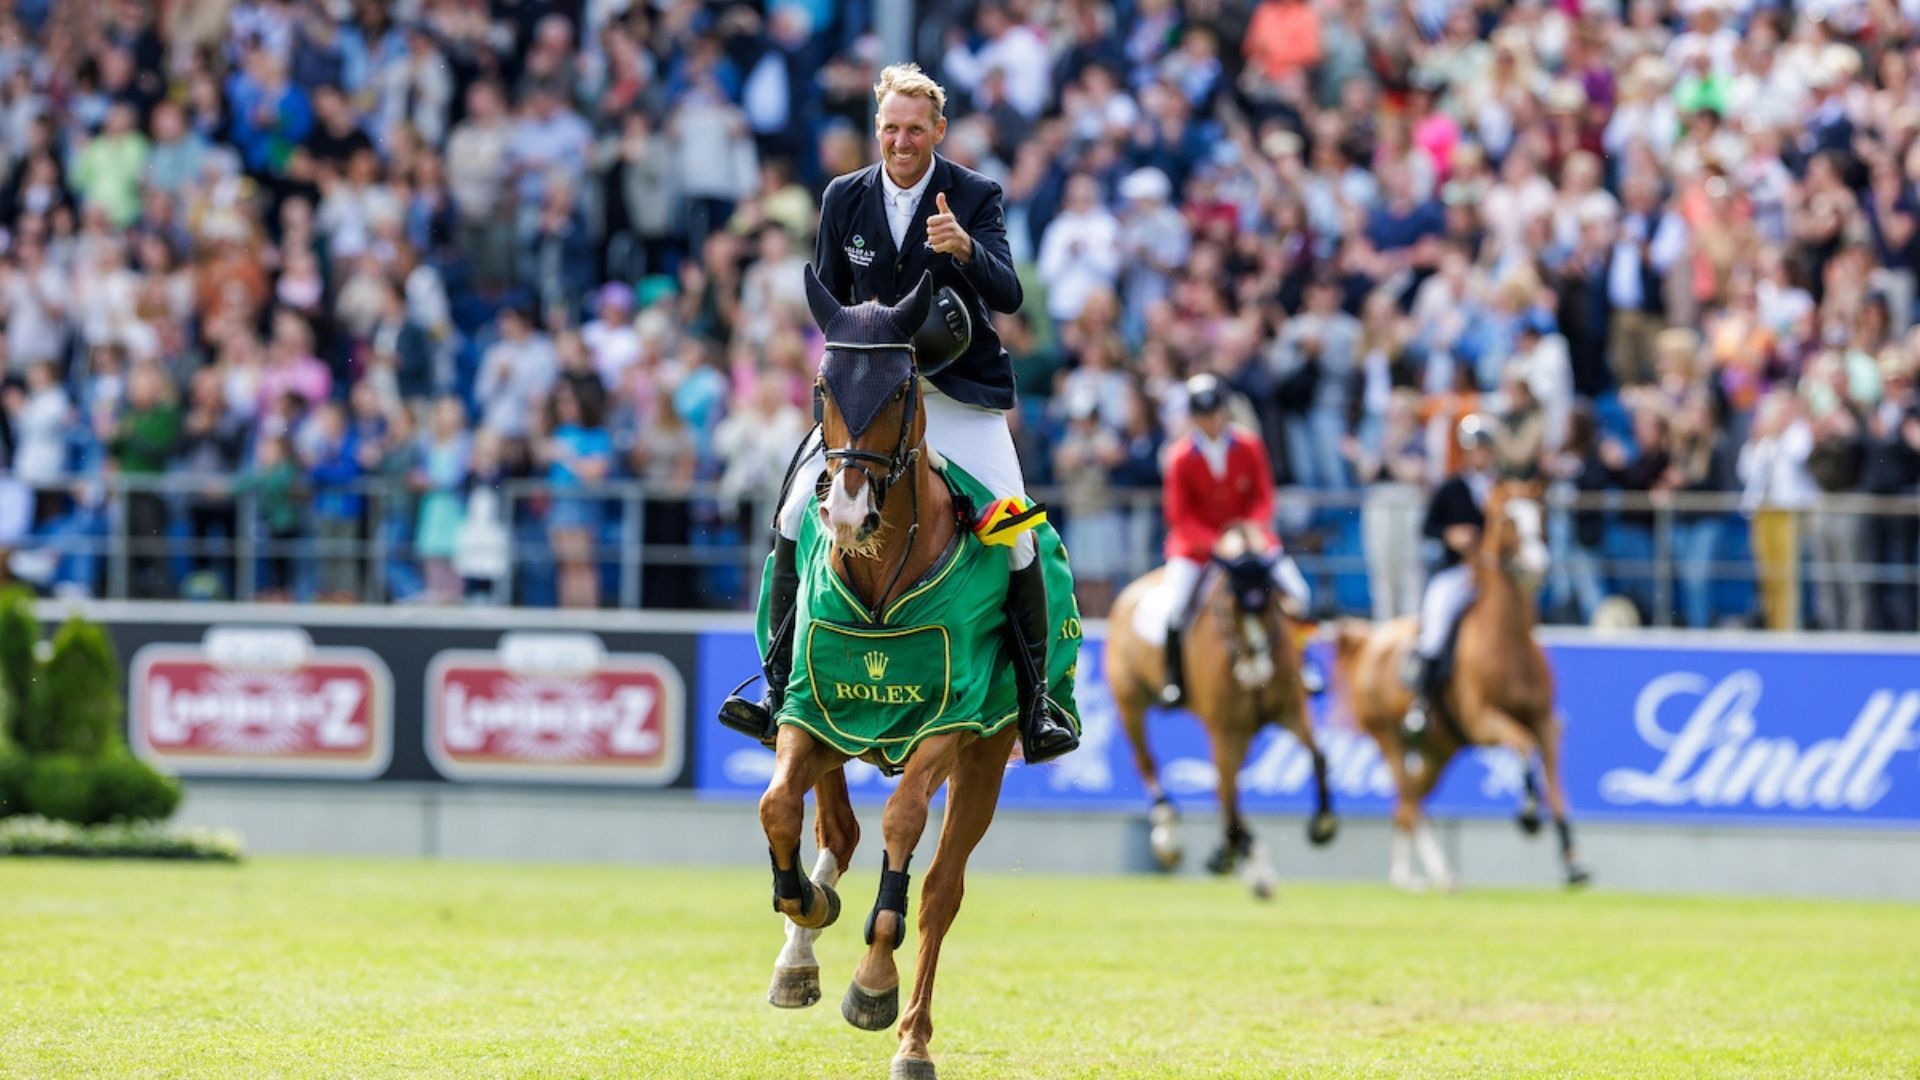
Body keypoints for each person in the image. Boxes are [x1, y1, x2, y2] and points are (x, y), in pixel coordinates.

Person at [718, 62, 1077, 764]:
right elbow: (830, 307)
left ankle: (1036, 705)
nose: (901, 142)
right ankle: (776, 686)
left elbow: (1008, 296)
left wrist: (966, 250)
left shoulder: (975, 195)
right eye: (889, 129)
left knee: (1020, 532)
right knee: (793, 515)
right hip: (872, 407)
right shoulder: (842, 198)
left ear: (938, 130)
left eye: (915, 130)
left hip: (959, 399)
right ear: (874, 128)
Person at [1157, 374, 1315, 706]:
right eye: (1205, 415)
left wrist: (1251, 530)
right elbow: (1180, 516)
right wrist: (1216, 543)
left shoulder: (1248, 445)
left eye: (1216, 412)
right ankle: (1174, 678)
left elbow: (1263, 496)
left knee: (1299, 593)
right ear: (1194, 418)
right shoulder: (1180, 457)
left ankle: (1305, 663)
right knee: (1174, 607)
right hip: (1199, 549)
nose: (1212, 421)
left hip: (1249, 539)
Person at [1402, 413, 1500, 743]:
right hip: (1459, 570)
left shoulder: (1502, 489)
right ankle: (1422, 700)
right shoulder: (1452, 487)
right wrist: (1450, 534)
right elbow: (1427, 527)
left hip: (1495, 575)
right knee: (1437, 621)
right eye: (1475, 449)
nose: (1481, 455)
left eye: (1485, 448)